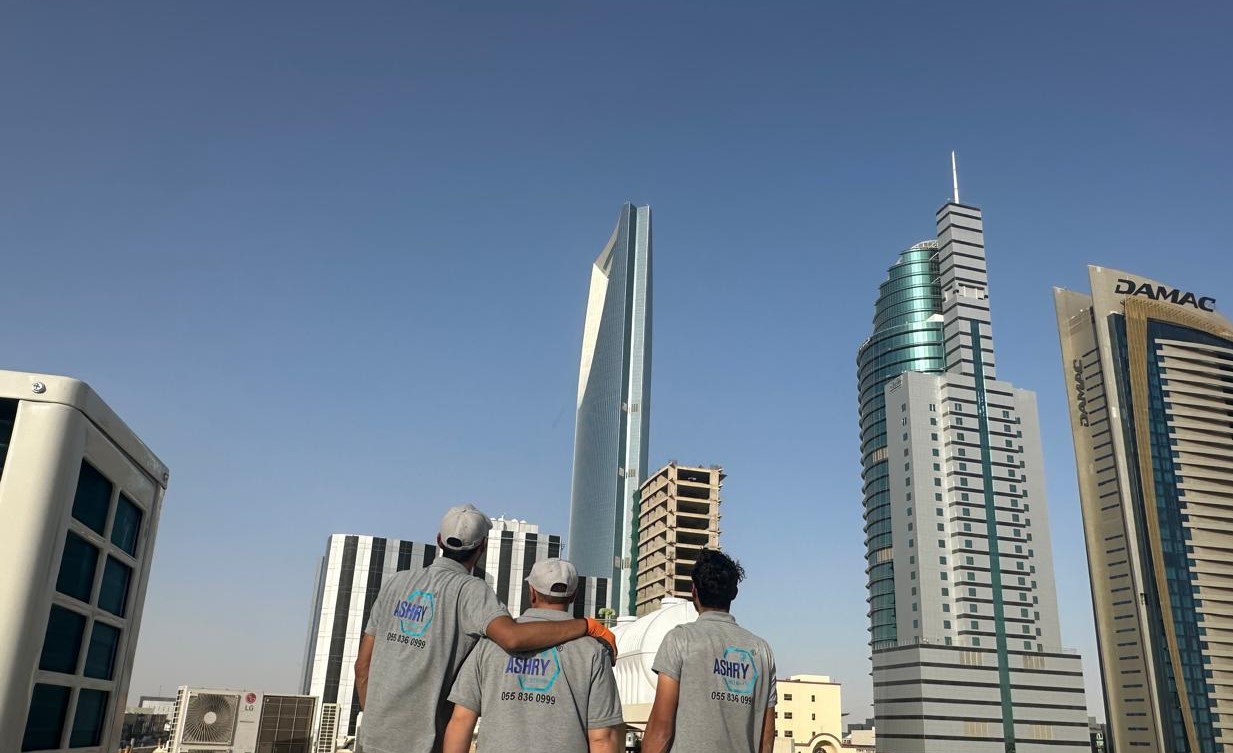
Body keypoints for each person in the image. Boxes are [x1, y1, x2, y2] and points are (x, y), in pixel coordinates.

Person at [355, 504, 617, 753]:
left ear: (439, 540)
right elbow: (512, 637)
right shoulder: (472, 592)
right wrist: (586, 625)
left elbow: (362, 666)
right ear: (482, 546)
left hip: (372, 738)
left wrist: (376, 723)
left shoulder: (396, 583)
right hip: (422, 743)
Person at [442, 558, 625, 753]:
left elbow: (461, 721)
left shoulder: (490, 644)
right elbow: (602, 739)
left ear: (532, 592)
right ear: (574, 596)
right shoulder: (592, 651)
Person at [641, 549, 777, 753]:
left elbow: (661, 730)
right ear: (734, 593)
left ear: (694, 591)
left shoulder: (680, 639)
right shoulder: (762, 651)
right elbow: (766, 736)